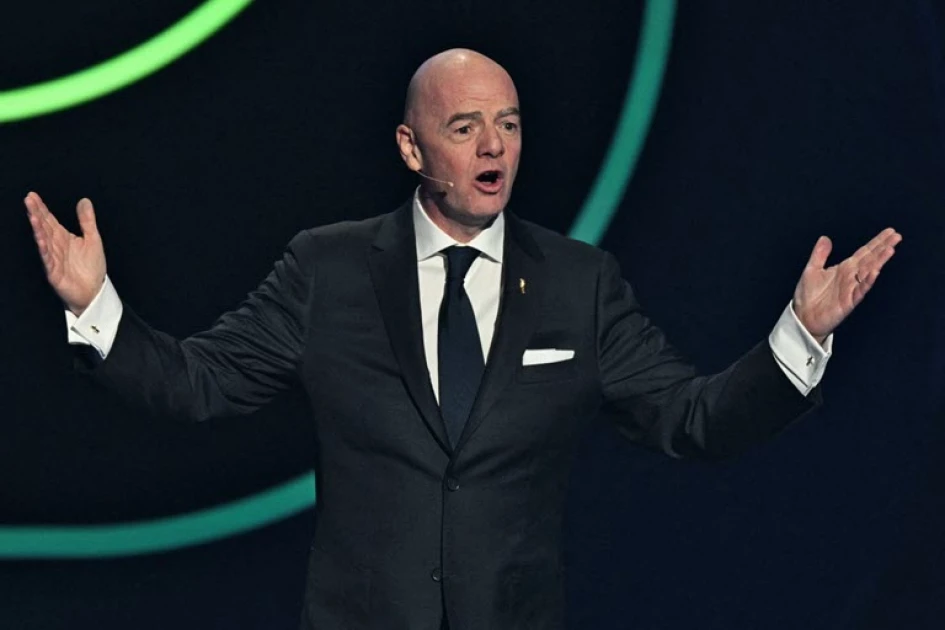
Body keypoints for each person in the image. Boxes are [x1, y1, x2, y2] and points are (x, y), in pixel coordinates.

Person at [23, 49, 901, 630]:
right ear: (411, 148)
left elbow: (693, 419)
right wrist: (97, 304)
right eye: (464, 127)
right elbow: (196, 383)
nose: (494, 146)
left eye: (509, 124)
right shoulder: (327, 270)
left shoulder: (577, 282)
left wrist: (797, 336)